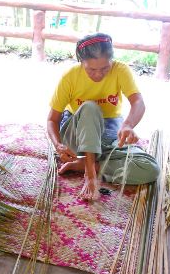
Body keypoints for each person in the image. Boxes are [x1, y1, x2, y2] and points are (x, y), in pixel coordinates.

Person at [46, 33, 159, 200]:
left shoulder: (120, 70)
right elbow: (52, 119)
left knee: (149, 168)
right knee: (91, 108)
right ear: (81, 62)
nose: (98, 75)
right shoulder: (70, 76)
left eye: (105, 68)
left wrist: (127, 125)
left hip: (108, 133)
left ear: (111, 60)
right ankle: (90, 174)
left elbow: (138, 102)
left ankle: (87, 163)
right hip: (76, 136)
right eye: (91, 69)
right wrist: (58, 144)